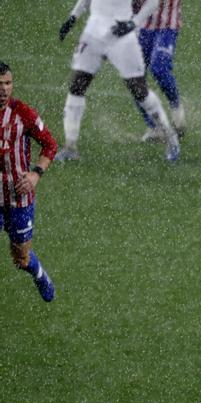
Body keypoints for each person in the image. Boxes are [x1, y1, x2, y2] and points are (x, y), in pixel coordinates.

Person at [54, 0, 181, 163]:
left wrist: (133, 23)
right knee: (77, 85)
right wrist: (73, 16)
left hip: (121, 32)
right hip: (94, 31)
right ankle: (70, 147)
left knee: (139, 90)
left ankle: (170, 137)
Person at [0, 62, 59, 302]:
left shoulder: (23, 113)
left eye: (8, 83)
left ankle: (39, 274)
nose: (4, 89)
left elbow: (50, 145)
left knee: (20, 259)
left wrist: (35, 174)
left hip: (18, 198)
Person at [136, 0, 201, 142]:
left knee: (159, 68)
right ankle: (155, 127)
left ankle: (176, 111)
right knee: (134, 78)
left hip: (167, 27)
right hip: (140, 26)